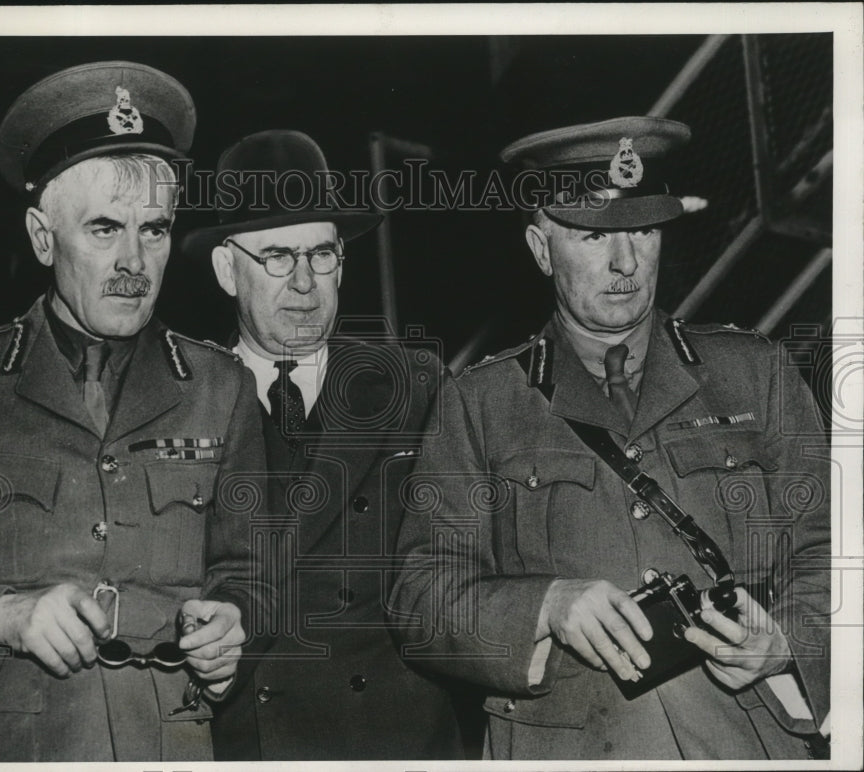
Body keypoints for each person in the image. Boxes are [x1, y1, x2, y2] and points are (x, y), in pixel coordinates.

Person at [390, 116, 831, 760]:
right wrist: (545, 606)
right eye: (594, 235)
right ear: (542, 249)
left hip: (744, 742)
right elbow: (420, 598)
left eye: (643, 231)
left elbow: (832, 549)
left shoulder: (753, 372)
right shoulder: (480, 403)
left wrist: (784, 641)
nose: (625, 262)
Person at [0, 61, 270, 762]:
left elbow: (252, 573)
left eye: (154, 230)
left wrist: (235, 625)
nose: (134, 261)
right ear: (43, 237)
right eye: (104, 229)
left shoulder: (220, 387)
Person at [181, 129, 466, 759]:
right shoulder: (184, 400)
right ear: (228, 270)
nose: (306, 283)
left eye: (322, 254)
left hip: (396, 742)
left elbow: (459, 571)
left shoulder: (416, 386)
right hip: (250, 743)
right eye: (277, 257)